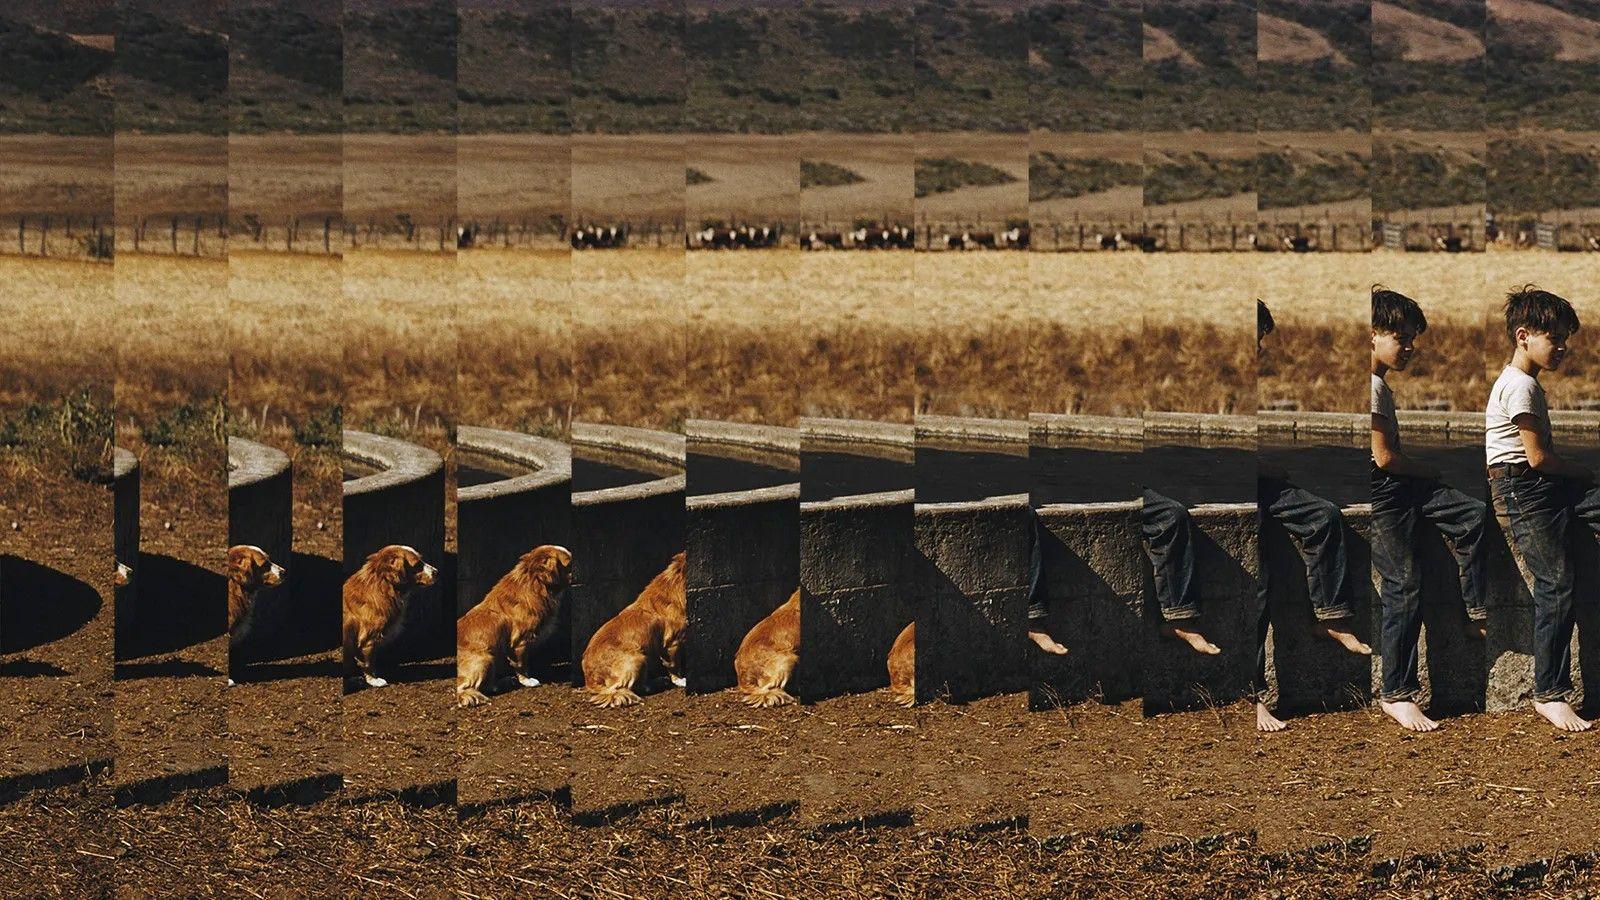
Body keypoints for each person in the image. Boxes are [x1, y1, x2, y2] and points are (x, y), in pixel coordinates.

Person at [1369, 286, 1488, 732]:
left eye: (1412, 338)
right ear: (1372, 336)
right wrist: (1427, 469)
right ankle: (1396, 693)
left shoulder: (1380, 386)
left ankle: (1475, 611)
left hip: (1402, 489)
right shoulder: (1373, 389)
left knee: (1473, 514)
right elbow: (1384, 458)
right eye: (1401, 338)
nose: (1410, 347)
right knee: (1403, 584)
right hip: (1386, 492)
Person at [1255, 300, 1368, 733]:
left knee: (1323, 516)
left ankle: (1330, 617)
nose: (1261, 349)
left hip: (1262, 483)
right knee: (1260, 581)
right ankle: (1254, 697)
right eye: (1258, 339)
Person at [1486, 286, 1592, 732]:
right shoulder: (1521, 387)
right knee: (1556, 585)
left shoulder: (1523, 383)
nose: (1563, 347)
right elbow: (1537, 459)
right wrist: (1584, 472)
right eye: (1556, 338)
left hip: (1535, 488)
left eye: (1566, 338)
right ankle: (1548, 693)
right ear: (1523, 335)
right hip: (1524, 491)